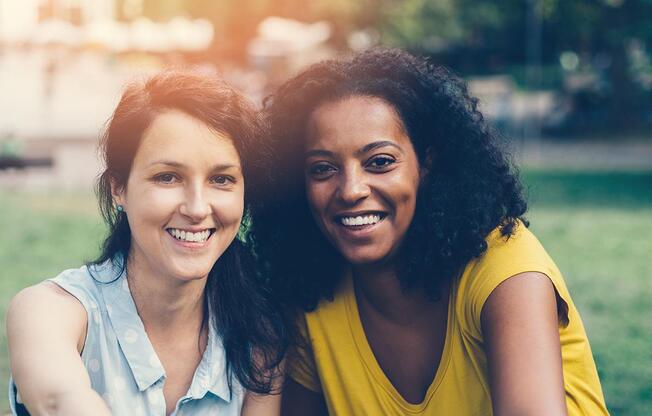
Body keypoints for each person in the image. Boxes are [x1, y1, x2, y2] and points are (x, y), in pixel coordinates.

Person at [248, 49, 609, 415]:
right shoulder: (312, 294)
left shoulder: (504, 269)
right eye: (323, 168)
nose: (351, 189)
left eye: (380, 162)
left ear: (427, 164)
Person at [7, 71, 286, 416]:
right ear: (118, 188)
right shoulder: (51, 311)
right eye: (167, 177)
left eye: (221, 179)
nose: (197, 208)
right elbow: (58, 400)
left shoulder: (258, 340)